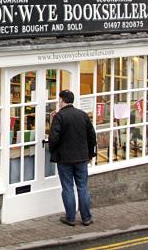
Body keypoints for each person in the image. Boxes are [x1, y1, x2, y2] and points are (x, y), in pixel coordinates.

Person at [48, 89, 96, 227]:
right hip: (81, 157)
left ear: (62, 100)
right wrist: (90, 154)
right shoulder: (83, 115)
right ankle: (86, 218)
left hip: (65, 159)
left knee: (68, 188)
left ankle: (70, 218)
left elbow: (54, 138)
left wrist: (53, 150)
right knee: (82, 187)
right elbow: (92, 136)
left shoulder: (59, 117)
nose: (59, 102)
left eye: (59, 100)